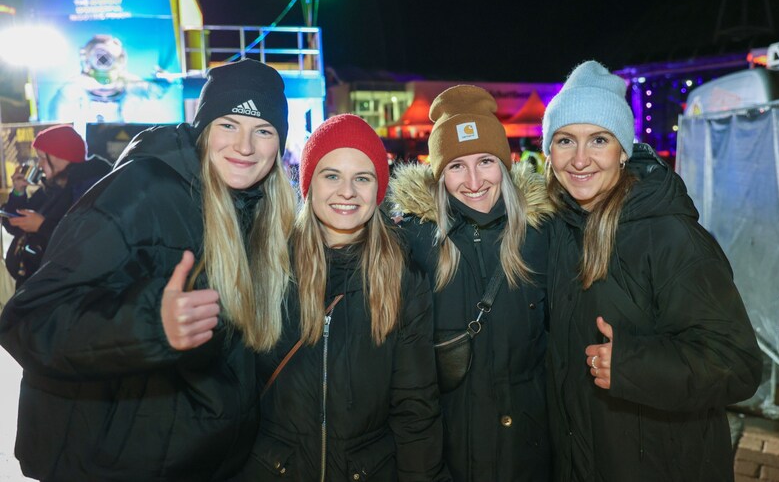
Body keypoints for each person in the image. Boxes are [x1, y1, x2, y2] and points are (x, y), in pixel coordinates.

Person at [0, 58, 296, 482]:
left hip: (201, 463)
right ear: (203, 128)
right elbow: (29, 321)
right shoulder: (143, 190)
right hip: (111, 464)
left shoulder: (258, 214)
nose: (245, 146)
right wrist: (151, 324)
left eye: (263, 130)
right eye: (229, 124)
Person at [541, 60, 763, 481]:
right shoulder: (555, 230)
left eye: (599, 139)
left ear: (623, 151)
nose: (581, 158)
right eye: (566, 140)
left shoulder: (670, 236)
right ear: (548, 152)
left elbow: (737, 364)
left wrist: (632, 366)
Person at [243, 114, 449, 481]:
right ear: (309, 183)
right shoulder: (269, 267)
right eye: (332, 175)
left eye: (362, 178)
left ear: (377, 190)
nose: (347, 191)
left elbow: (415, 409)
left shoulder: (404, 279)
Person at [390, 85, 553, 482]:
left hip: (530, 455)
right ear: (439, 173)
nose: (474, 181)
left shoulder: (541, 236)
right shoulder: (412, 242)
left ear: (505, 164)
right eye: (457, 166)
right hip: (450, 456)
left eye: (486, 161)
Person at [2, 124, 111, 288]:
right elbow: (14, 226)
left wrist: (42, 226)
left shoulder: (89, 189)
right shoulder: (53, 187)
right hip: (33, 283)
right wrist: (18, 192)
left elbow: (85, 241)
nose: (39, 165)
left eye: (42, 158)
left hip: (62, 289)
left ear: (60, 157)